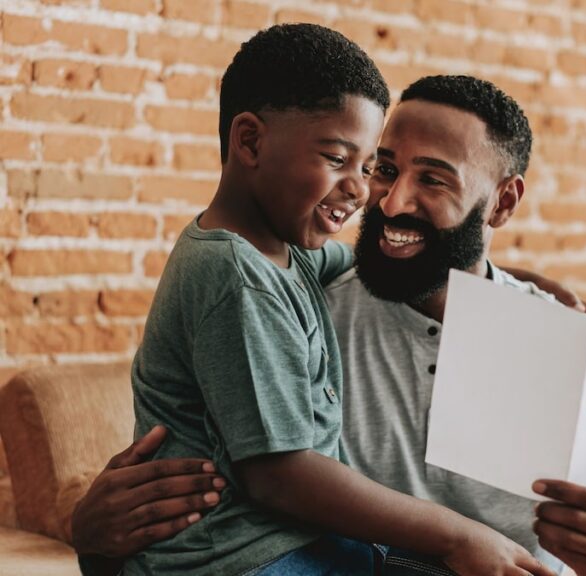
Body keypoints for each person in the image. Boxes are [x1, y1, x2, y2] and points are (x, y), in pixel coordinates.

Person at [71, 73, 586, 575]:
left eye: (433, 179)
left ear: (503, 202)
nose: (392, 200)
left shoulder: (568, 340)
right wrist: (91, 534)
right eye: (386, 168)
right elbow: (213, 476)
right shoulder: (305, 311)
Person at [112, 23, 555, 576]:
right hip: (242, 557)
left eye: (366, 167)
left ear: (503, 203)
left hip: (293, 545)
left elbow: (388, 259)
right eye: (340, 159)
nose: (368, 192)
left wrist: (523, 284)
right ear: (250, 142)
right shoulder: (238, 278)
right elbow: (279, 475)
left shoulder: (285, 256)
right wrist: (458, 536)